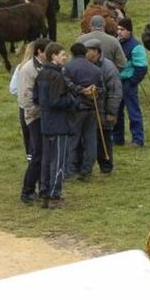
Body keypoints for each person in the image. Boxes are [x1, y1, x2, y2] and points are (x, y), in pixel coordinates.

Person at [33, 42, 79, 208]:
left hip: (45, 123)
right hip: (59, 123)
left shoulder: (41, 74)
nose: (65, 57)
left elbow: (36, 99)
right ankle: (54, 195)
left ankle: (44, 192)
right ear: (53, 56)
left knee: (46, 160)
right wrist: (72, 100)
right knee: (58, 161)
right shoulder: (57, 76)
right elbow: (56, 101)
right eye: (61, 54)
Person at [62, 42, 103, 182]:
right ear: (85, 53)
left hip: (75, 109)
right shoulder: (96, 69)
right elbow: (102, 90)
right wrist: (93, 92)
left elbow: (66, 85)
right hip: (92, 108)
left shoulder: (67, 68)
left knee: (72, 141)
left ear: (72, 53)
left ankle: (69, 170)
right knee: (90, 141)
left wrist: (80, 91)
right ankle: (87, 170)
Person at [17, 39, 49, 204]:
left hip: (41, 114)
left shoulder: (43, 66)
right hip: (34, 116)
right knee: (37, 154)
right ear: (39, 52)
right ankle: (27, 191)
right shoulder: (28, 69)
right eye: (48, 51)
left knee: (41, 154)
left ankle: (39, 187)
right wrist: (35, 112)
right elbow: (25, 96)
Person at [84, 39, 121, 174]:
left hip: (103, 110)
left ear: (96, 52)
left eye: (87, 51)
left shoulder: (108, 67)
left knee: (103, 138)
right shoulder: (85, 65)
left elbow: (115, 92)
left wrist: (111, 112)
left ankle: (106, 165)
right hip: (88, 111)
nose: (85, 53)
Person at [115, 18, 147, 147]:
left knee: (133, 111)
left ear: (129, 31)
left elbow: (142, 67)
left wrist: (132, 81)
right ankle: (117, 138)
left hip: (128, 82)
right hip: (118, 82)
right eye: (118, 29)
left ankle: (137, 139)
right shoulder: (116, 43)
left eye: (122, 29)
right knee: (117, 111)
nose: (119, 32)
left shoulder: (136, 46)